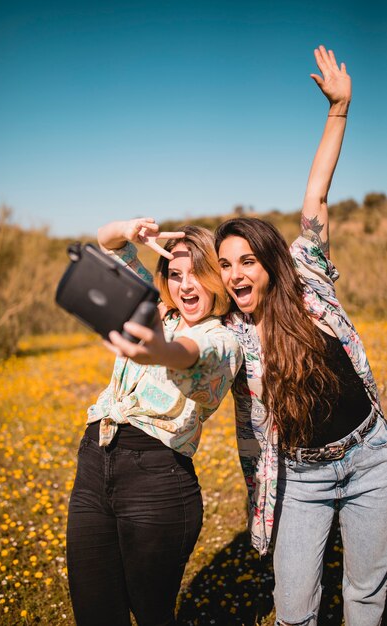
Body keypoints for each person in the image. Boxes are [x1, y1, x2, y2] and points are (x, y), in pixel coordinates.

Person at [214, 46, 387, 626]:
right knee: (293, 611)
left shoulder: (308, 273)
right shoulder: (234, 336)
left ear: (269, 260)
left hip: (370, 457)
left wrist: (338, 111)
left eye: (246, 260)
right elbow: (186, 343)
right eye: (225, 264)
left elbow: (316, 192)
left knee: (366, 596)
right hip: (303, 475)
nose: (236, 273)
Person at [66, 219, 242, 626]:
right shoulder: (153, 304)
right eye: (176, 274)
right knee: (94, 610)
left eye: (198, 273)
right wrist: (128, 229)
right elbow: (106, 245)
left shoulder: (223, 340)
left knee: (152, 614)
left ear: (218, 277)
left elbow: (189, 354)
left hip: (157, 482)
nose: (185, 286)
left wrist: (159, 349)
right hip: (94, 462)